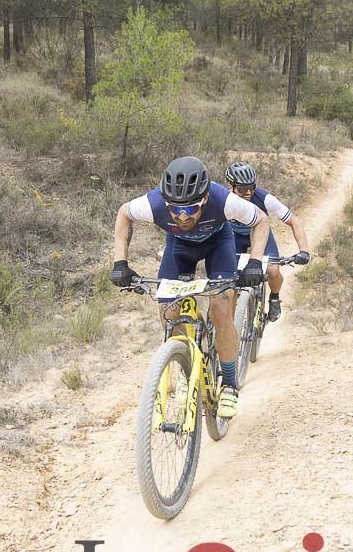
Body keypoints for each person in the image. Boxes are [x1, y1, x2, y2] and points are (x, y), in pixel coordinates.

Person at [110, 156, 270, 419]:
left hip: (218, 245)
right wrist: (120, 263)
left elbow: (261, 220)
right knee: (168, 312)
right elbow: (124, 214)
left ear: (205, 199)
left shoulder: (223, 200)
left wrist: (254, 263)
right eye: (175, 209)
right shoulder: (153, 203)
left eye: (191, 208)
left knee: (220, 309)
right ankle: (186, 366)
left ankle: (229, 384)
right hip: (179, 248)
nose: (182, 216)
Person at [224, 161, 310, 322]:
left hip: (261, 235)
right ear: (232, 186)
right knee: (230, 281)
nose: (248, 192)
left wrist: (303, 250)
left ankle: (275, 297)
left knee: (273, 270)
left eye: (252, 187)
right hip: (234, 237)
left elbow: (294, 221)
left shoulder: (264, 198)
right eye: (242, 189)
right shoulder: (224, 199)